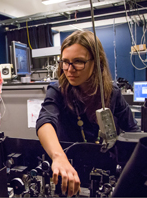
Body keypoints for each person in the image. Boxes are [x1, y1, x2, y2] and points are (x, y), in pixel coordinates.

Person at [36, 30, 139, 197]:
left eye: (78, 62)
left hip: (104, 175)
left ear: (97, 62)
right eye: (65, 62)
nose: (69, 69)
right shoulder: (57, 90)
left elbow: (133, 133)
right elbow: (45, 121)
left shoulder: (112, 93)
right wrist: (58, 157)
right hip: (68, 173)